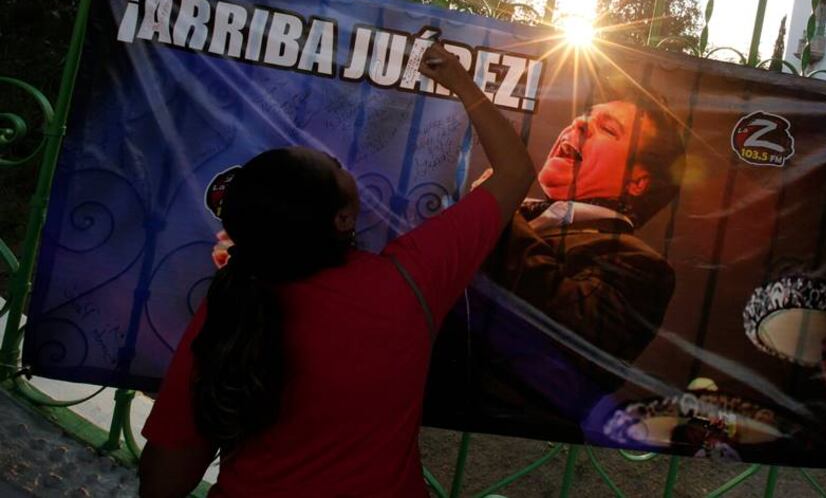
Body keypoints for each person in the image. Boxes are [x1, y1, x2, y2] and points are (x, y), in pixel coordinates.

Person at [138, 43, 534, 498]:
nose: (338, 159)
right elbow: (514, 171)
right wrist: (462, 83)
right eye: (336, 165)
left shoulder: (230, 308)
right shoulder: (408, 282)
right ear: (342, 218)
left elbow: (163, 481)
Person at [424, 90, 686, 443]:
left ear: (637, 182)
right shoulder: (517, 217)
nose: (579, 124)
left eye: (608, 129)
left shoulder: (642, 268)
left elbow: (561, 330)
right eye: (584, 116)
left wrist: (502, 210)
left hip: (502, 445)